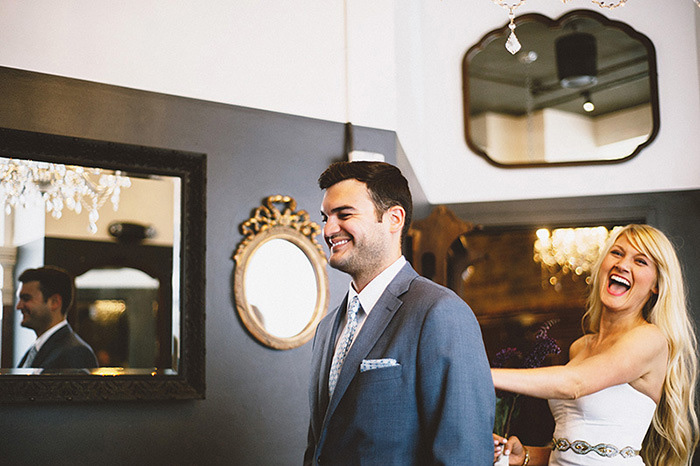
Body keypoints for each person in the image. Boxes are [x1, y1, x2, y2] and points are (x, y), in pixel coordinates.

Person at [305, 161, 495, 465]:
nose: (328, 229)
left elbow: (464, 453)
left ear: (394, 219)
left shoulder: (440, 312)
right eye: (325, 217)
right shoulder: (327, 328)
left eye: (344, 214)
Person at [492, 224, 699, 466]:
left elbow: (574, 384)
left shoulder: (649, 339)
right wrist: (526, 455)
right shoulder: (580, 347)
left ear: (656, 285)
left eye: (640, 261)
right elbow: (577, 449)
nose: (622, 265)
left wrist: (481, 374)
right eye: (617, 253)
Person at [16, 266, 98, 370]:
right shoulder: (35, 349)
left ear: (55, 302)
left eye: (26, 299)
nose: (18, 306)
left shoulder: (75, 353)